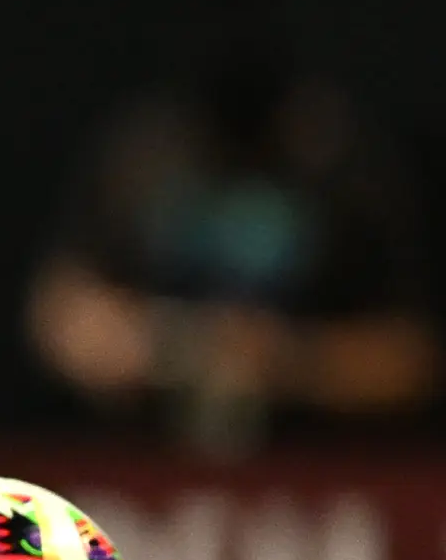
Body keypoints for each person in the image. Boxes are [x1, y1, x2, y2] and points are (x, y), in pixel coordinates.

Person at [27, 28, 436, 455]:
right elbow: (62, 320)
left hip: (329, 470)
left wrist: (288, 358)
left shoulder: (349, 170)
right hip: (132, 463)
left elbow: (410, 356)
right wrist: (178, 345)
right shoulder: (139, 161)